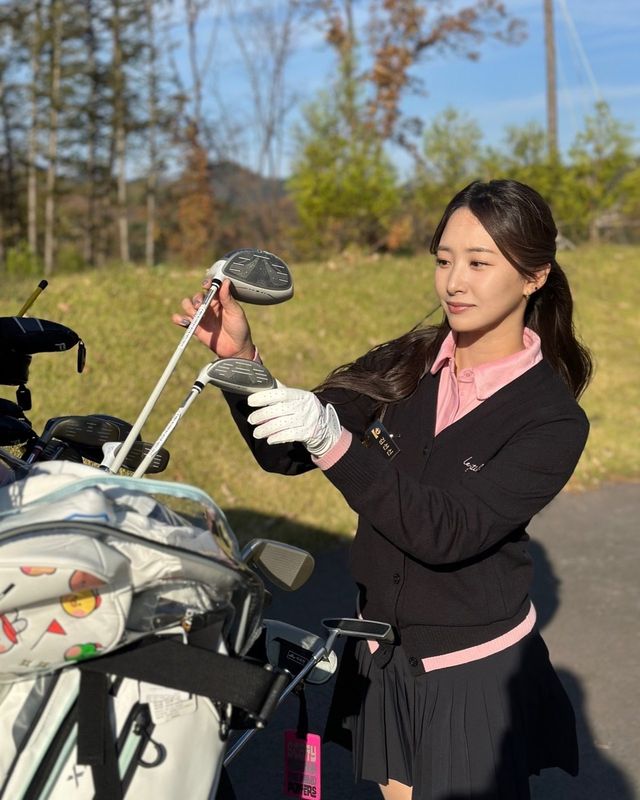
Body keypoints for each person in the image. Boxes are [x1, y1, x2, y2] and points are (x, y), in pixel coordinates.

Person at [173, 179, 592, 800]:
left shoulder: (550, 419)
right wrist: (243, 363)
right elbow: (286, 449)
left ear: (534, 277)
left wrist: (333, 442)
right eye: (444, 260)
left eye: (480, 263)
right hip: (384, 654)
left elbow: (448, 530)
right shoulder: (410, 359)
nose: (454, 282)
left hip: (473, 672)